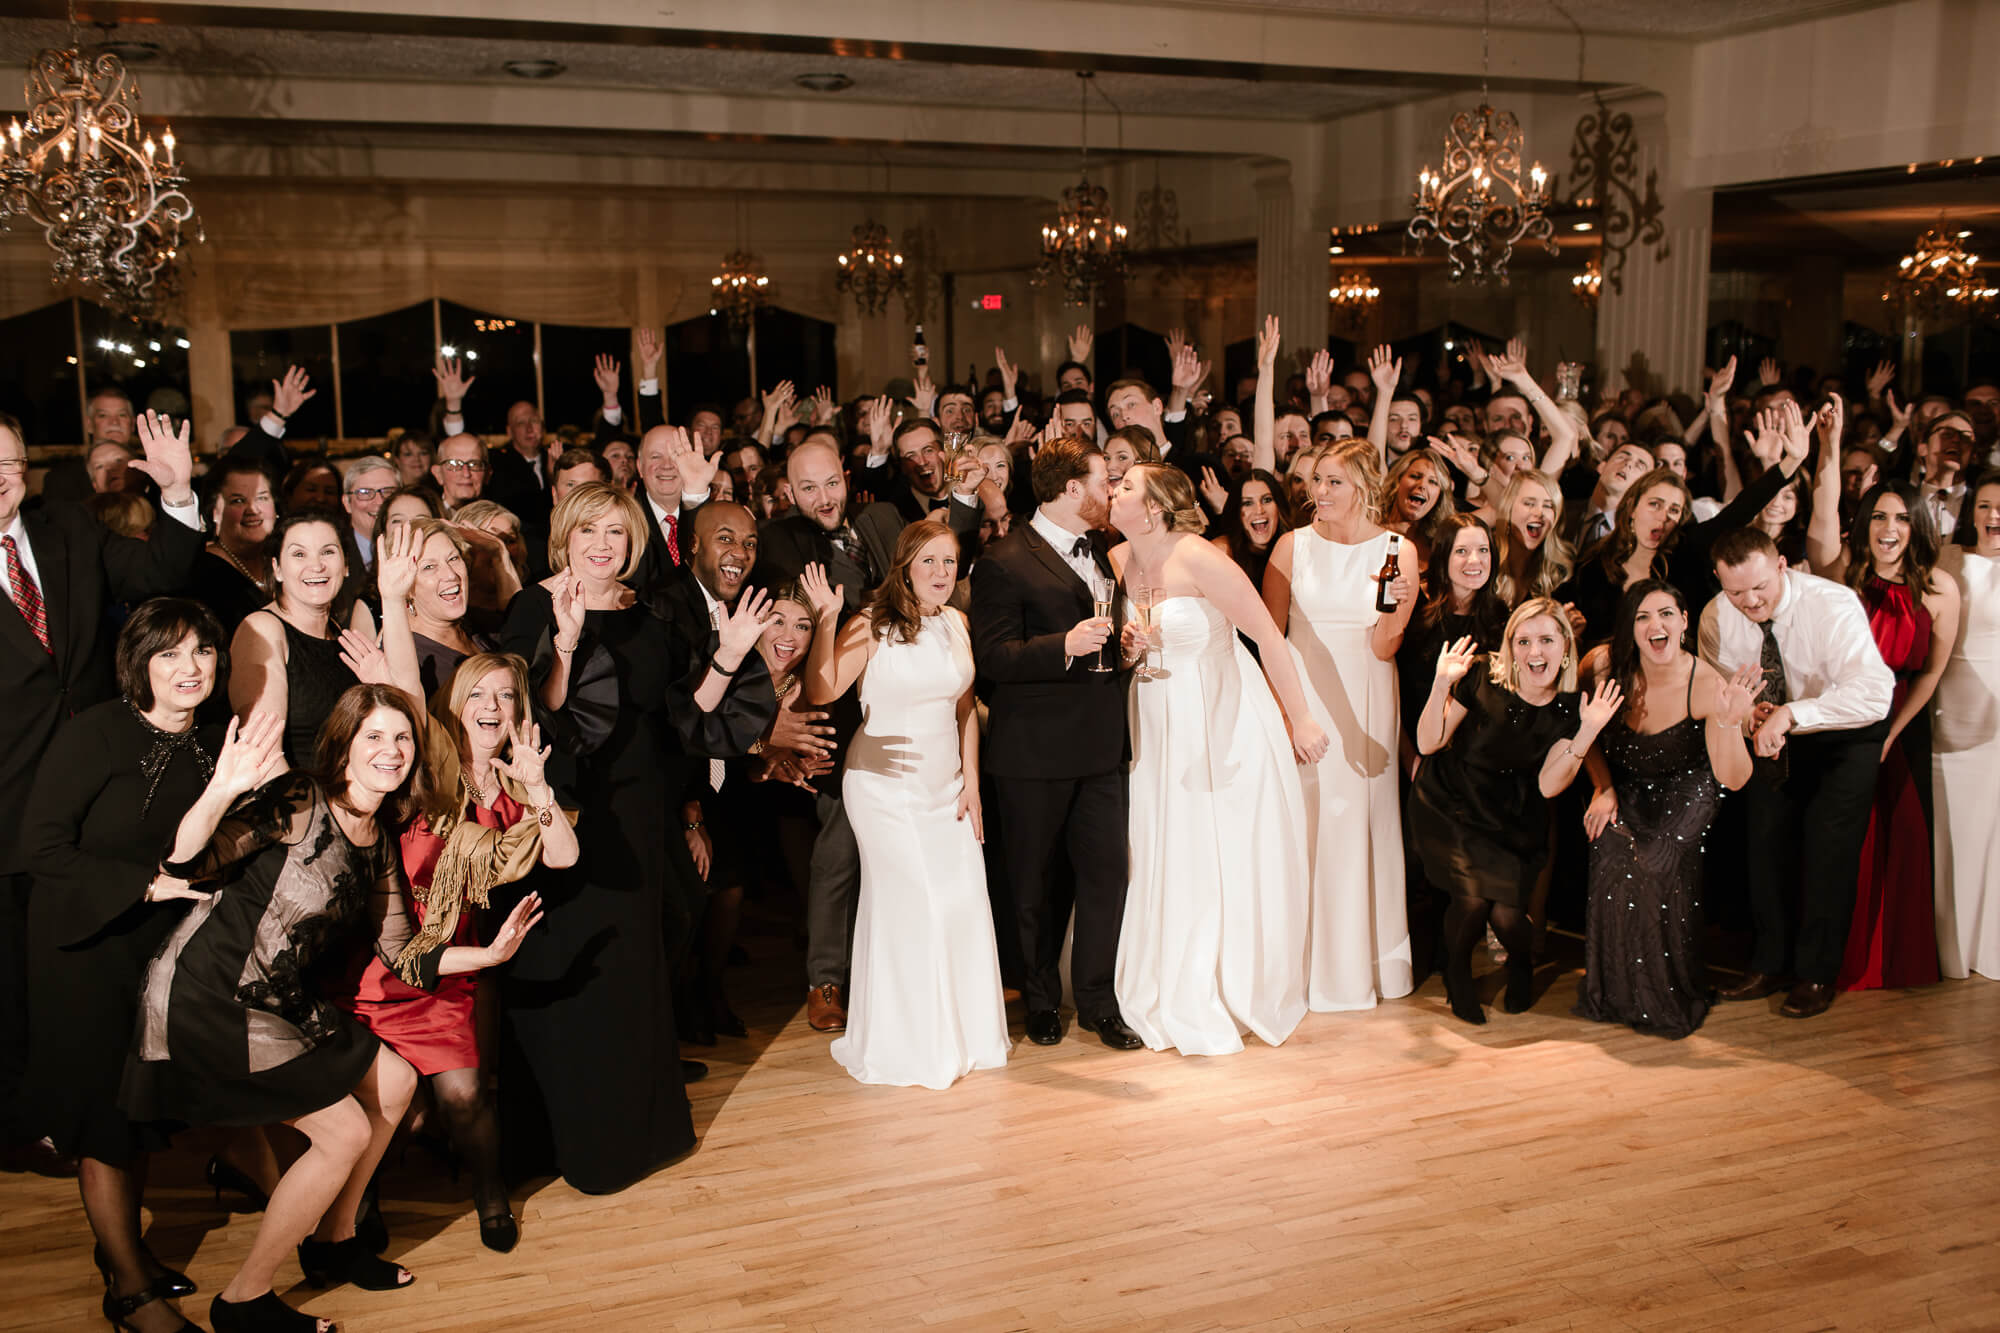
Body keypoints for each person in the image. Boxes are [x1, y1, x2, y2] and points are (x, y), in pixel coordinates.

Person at [120, 691, 432, 1333]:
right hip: (208, 994)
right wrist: (223, 788)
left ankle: (335, 1242)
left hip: (277, 996)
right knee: (342, 1132)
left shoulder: (376, 837)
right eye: (374, 737)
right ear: (344, 746)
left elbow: (402, 950)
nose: (391, 751)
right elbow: (187, 861)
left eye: (402, 739)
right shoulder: (299, 800)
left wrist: (491, 952)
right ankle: (244, 1301)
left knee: (398, 1082)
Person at [497, 481, 771, 1192]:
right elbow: (543, 715)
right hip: (574, 818)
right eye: (590, 530)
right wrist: (560, 642)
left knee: (637, 975)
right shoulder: (533, 604)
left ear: (634, 544)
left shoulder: (648, 615)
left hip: (643, 814)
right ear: (565, 533)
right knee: (585, 977)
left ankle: (642, 1131)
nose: (602, 545)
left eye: (616, 534)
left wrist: (730, 654)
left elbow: (685, 718)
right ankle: (581, 1142)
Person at [1, 409, 203, 1179]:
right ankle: (30, 1126)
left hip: (104, 800)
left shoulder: (69, 530)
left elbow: (159, 577)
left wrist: (181, 494)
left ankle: (101, 1120)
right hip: (10, 812)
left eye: (10, 465)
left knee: (91, 979)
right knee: (17, 987)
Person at [21, 601, 225, 1333]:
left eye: (202, 651)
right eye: (170, 654)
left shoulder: (210, 744)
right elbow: (38, 846)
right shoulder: (95, 733)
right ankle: (132, 1293)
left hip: (153, 951)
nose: (189, 667)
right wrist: (142, 882)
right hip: (81, 948)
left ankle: (123, 1253)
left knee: (135, 1108)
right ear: (138, 662)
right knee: (103, 1118)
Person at [335, 652, 574, 1254]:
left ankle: (490, 1193)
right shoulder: (422, 767)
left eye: (505, 696)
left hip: (452, 962)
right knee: (382, 1105)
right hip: (377, 959)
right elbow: (406, 703)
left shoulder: (520, 783)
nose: (491, 708)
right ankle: (358, 1207)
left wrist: (540, 787)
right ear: (453, 702)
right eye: (477, 694)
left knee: (466, 1095)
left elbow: (564, 855)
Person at [1108, 465, 1325, 1054]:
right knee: (1163, 842)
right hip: (1154, 717)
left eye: (1125, 485)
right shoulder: (1118, 558)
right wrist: (1128, 647)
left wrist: (1300, 716)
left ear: (1154, 507)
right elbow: (1130, 643)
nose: (1112, 490)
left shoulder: (1200, 556)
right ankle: (1161, 975)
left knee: (1212, 845)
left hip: (1220, 717)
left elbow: (1267, 635)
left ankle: (1221, 980)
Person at [800, 522, 1009, 1088]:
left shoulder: (959, 624)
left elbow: (964, 708)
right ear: (905, 566)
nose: (941, 573)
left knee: (963, 901)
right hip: (883, 789)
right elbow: (821, 691)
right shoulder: (873, 624)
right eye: (929, 562)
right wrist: (825, 617)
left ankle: (960, 1033)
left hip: (947, 790)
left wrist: (971, 782)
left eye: (949, 561)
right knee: (917, 905)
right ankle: (911, 1041)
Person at [969, 436, 1142, 1051]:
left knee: (1106, 876)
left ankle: (1097, 1001)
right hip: (1034, 753)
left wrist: (1124, 649)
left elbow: (1108, 632)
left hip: (1100, 749)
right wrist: (1062, 646)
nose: (1111, 491)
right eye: (1103, 482)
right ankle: (1040, 1001)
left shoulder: (1105, 551)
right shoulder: (1003, 560)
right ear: (1072, 489)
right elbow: (991, 658)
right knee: (1034, 884)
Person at [1700, 528, 1895, 1019]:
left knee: (1829, 853)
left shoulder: (1832, 604)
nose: (1749, 600)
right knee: (1765, 846)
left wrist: (1792, 714)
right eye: (1736, 591)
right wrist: (1751, 717)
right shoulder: (1719, 615)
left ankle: (1815, 974)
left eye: (1760, 587)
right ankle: (1768, 965)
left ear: (1783, 564)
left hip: (1844, 732)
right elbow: (1724, 690)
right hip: (1772, 730)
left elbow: (1874, 693)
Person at [1408, 599, 1620, 1024]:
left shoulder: (1568, 706)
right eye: (1523, 641)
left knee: (1507, 917)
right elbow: (1429, 743)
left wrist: (1588, 729)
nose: (1534, 652)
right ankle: (1458, 977)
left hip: (1514, 814)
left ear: (1565, 645)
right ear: (1510, 646)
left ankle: (1520, 964)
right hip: (1453, 803)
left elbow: (1547, 785)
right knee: (1469, 903)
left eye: (1545, 640)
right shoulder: (1485, 675)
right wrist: (1439, 685)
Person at [1262, 440, 1418, 1012]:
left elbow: (1384, 647)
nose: (1318, 493)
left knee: (1362, 825)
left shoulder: (1399, 549)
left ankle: (1364, 966)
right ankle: (1304, 969)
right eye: (1315, 481)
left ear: (1364, 488)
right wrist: (1285, 713)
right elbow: (1268, 636)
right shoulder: (1290, 546)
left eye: (1333, 483)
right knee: (1309, 824)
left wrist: (1396, 609)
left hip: (1369, 697)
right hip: (1305, 697)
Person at [1573, 582, 1758, 1038]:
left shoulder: (1708, 683)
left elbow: (1731, 777)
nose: (1655, 625)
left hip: (1688, 789)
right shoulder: (1600, 665)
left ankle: (1668, 995)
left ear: (1684, 621)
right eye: (1642, 617)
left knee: (1656, 863)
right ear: (1629, 628)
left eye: (1666, 614)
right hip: (1626, 786)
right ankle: (1614, 995)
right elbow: (1586, 735)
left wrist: (1731, 720)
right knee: (1611, 850)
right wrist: (1603, 788)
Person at [1827, 483, 1958, 991]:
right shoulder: (1844, 576)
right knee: (1846, 842)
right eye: (1878, 517)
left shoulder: (1940, 589)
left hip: (1903, 725)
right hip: (1845, 721)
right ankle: (1840, 961)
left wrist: (1890, 735)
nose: (1889, 529)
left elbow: (1931, 675)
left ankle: (1898, 962)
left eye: (1901, 518)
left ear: (1917, 525)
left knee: (1902, 834)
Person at [1934, 472, 2000, 979]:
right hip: (1950, 711)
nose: (1993, 515)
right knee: (1954, 829)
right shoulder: (1947, 559)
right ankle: (1949, 948)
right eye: (1984, 505)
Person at [1210, 468, 1292, 594]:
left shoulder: (1296, 548)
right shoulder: (1223, 551)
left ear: (1278, 507)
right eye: (1247, 503)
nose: (1259, 510)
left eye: (1267, 500)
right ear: (1236, 510)